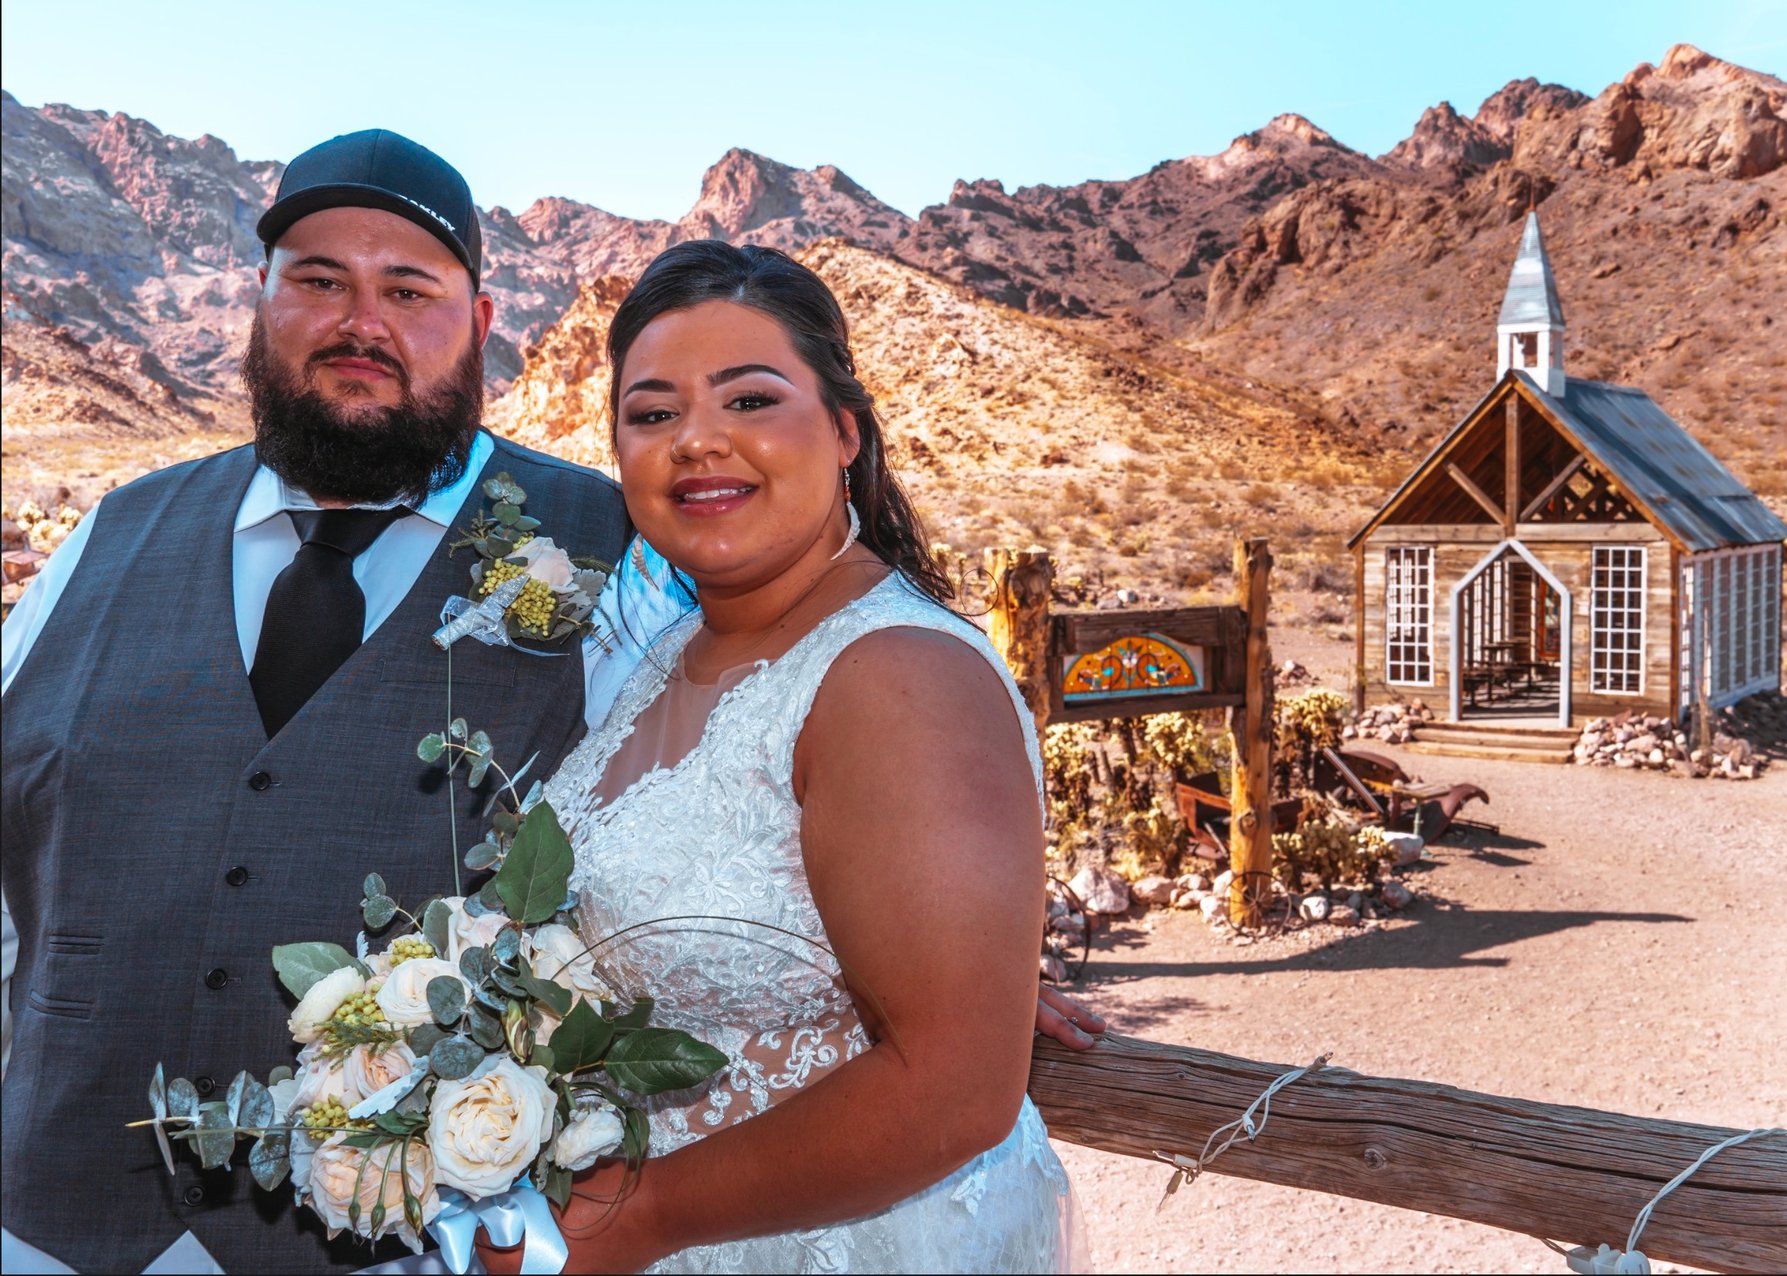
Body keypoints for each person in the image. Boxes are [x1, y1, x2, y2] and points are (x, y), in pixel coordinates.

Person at [0, 132, 1100, 1276]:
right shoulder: (106, 540)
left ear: (482, 326)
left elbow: (827, 815)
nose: (358, 322)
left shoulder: (633, 558)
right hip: (53, 1224)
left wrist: (957, 962)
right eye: (318, 279)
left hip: (420, 1250)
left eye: (409, 289)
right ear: (258, 298)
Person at [501, 242, 1079, 1273]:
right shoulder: (671, 653)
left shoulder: (899, 675)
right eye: (652, 413)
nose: (697, 441)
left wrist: (637, 1217)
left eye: (751, 399)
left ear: (847, 430)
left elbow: (956, 1088)